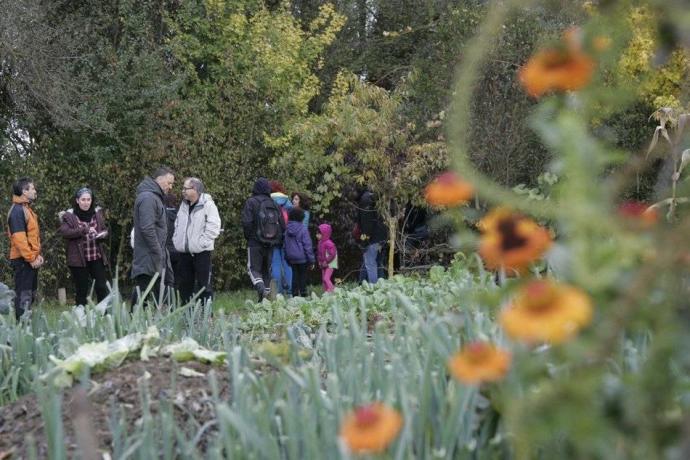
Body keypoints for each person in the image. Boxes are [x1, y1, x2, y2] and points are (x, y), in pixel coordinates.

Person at [172, 177, 221, 304]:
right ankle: (187, 317)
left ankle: (207, 317)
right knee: (184, 287)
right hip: (184, 253)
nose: (182, 191)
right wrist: (176, 239)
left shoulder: (208, 205)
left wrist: (201, 243)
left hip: (202, 253)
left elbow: (214, 227)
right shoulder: (183, 205)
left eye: (185, 188)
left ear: (195, 189)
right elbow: (177, 224)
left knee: (204, 286)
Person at [57, 187, 109, 306]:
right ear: (77, 200)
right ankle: (81, 317)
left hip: (96, 256)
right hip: (79, 260)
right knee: (82, 290)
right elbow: (65, 233)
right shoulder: (69, 215)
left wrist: (102, 235)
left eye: (88, 199)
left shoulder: (97, 213)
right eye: (83, 199)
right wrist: (83, 229)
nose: (86, 202)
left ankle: (105, 315)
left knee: (101, 287)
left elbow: (104, 230)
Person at [131, 166, 175, 306]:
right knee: (143, 292)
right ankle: (133, 322)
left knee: (158, 290)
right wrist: (157, 250)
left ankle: (159, 321)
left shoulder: (153, 196)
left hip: (154, 255)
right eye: (169, 183)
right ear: (159, 179)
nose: (171, 187)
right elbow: (147, 228)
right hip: (149, 256)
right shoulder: (148, 198)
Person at [242, 178, 285, 302]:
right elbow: (282, 225)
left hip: (255, 242)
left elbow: (246, 222)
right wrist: (277, 240)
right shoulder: (274, 204)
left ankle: (261, 290)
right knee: (266, 271)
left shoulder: (251, 202)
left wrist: (249, 237)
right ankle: (264, 301)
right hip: (271, 243)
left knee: (253, 269)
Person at [7, 177, 43, 320]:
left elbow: (33, 238)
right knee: (24, 296)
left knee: (30, 295)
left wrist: (37, 255)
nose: (35, 191)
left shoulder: (26, 209)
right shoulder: (17, 211)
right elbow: (20, 240)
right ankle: (20, 333)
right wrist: (31, 258)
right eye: (32, 188)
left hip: (29, 259)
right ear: (24, 191)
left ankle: (25, 329)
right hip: (23, 261)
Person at [357, 189, 387, 284]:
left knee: (370, 263)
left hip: (373, 238)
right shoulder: (373, 197)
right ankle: (381, 284)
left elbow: (367, 225)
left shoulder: (365, 200)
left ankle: (373, 287)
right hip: (381, 237)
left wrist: (365, 242)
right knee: (377, 262)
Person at [284, 208, 315, 297]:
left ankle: (294, 294)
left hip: (291, 257)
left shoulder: (287, 229)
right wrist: (311, 260)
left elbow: (285, 245)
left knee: (294, 275)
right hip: (302, 257)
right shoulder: (303, 229)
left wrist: (287, 257)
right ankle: (303, 293)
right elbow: (307, 245)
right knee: (302, 276)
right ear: (301, 217)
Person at [269, 181, 293, 296]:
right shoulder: (287, 202)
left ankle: (277, 291)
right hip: (287, 236)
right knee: (287, 264)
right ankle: (289, 290)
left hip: (273, 236)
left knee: (275, 263)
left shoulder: (268, 201)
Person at [317, 223, 338, 293]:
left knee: (326, 278)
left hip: (330, 264)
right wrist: (320, 261)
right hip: (324, 264)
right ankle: (326, 292)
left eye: (319, 234)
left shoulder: (329, 243)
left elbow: (332, 254)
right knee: (324, 279)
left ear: (324, 234)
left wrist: (327, 261)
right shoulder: (320, 242)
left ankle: (333, 291)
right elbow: (320, 254)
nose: (317, 235)